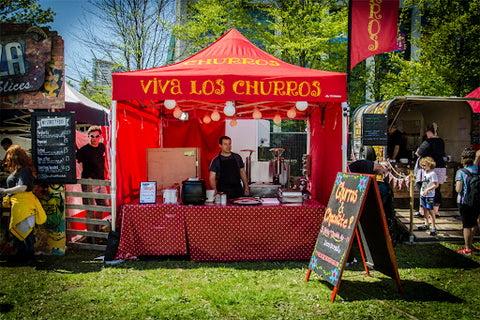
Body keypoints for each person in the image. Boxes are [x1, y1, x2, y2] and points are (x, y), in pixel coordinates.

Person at [0, 145, 46, 262]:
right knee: (17, 228)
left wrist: (5, 191)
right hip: (18, 204)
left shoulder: (24, 171)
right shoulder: (19, 171)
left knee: (26, 228)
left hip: (24, 204)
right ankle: (23, 252)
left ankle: (28, 253)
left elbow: (23, 187)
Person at [76, 126, 108, 234]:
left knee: (103, 206)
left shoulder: (102, 147)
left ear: (100, 137)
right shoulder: (83, 150)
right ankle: (90, 234)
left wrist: (107, 172)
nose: (94, 138)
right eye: (92, 136)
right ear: (88, 136)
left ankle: (97, 229)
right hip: (89, 182)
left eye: (96, 136)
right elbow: (75, 161)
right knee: (90, 208)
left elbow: (103, 161)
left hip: (101, 181)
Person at [416, 122, 446, 218]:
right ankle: (435, 211)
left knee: (423, 187)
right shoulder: (441, 141)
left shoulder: (427, 142)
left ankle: (423, 211)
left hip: (428, 168)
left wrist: (417, 151)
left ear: (429, 132)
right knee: (437, 188)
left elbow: (419, 153)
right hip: (440, 167)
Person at [455, 147, 479, 255]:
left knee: (466, 225)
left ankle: (467, 247)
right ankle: (471, 244)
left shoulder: (461, 172)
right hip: (477, 200)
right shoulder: (477, 169)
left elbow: (458, 189)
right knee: (474, 224)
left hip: (464, 201)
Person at [417, 157, 438, 236]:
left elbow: (436, 185)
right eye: (422, 166)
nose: (423, 167)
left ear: (429, 165)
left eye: (424, 165)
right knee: (424, 208)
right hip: (423, 194)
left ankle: (433, 226)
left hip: (429, 195)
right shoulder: (425, 172)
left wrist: (427, 190)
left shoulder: (433, 173)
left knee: (430, 209)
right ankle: (426, 223)